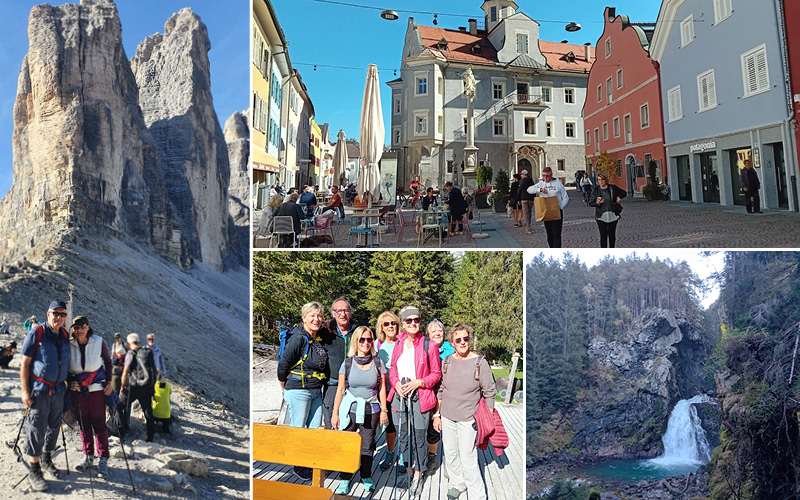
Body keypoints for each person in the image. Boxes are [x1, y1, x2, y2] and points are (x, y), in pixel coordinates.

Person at [434, 323, 496, 500]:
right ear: (452, 342)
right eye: (458, 339)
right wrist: (437, 415)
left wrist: (489, 417)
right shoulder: (446, 362)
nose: (462, 342)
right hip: (447, 416)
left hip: (469, 419)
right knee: (451, 454)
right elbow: (441, 390)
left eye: (466, 339)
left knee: (468, 457)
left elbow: (489, 391)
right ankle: (457, 483)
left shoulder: (480, 362)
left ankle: (477, 494)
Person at [389, 306, 442, 494]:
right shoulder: (398, 343)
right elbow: (393, 369)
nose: (412, 323)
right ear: (403, 323)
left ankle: (419, 474)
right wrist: (395, 384)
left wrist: (419, 382)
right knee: (403, 436)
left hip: (420, 398)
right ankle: (409, 471)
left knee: (419, 437)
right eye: (408, 320)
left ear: (420, 322)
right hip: (400, 397)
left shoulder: (429, 345)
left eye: (416, 320)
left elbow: (436, 374)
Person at [19, 300, 71, 492]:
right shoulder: (37, 332)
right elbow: (24, 364)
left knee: (54, 426)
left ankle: (46, 458)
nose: (58, 317)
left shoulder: (64, 335)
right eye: (55, 313)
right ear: (47, 314)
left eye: (62, 314)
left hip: (59, 390)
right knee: (36, 429)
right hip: (39, 390)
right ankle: (34, 469)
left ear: (65, 317)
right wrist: (25, 391)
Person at [331, 326, 388, 494]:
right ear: (356, 341)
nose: (366, 343)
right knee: (347, 444)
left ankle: (365, 475)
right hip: (350, 409)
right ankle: (345, 478)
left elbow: (382, 388)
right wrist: (335, 414)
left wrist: (384, 410)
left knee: (368, 445)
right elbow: (340, 389)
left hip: (371, 409)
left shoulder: (378, 363)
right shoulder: (348, 363)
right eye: (362, 339)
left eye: (369, 339)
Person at [277, 301, 328, 481]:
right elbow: (284, 364)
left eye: (319, 316)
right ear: (304, 317)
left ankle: (310, 462)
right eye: (312, 315)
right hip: (299, 390)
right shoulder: (299, 338)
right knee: (299, 429)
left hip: (315, 390)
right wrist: (284, 387)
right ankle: (298, 465)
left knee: (315, 429)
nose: (316, 319)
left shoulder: (316, 337)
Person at [68, 316, 113, 478]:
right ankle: (88, 455)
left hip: (96, 390)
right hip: (78, 392)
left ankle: (103, 458)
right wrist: (70, 381)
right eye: (76, 327)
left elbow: (108, 363)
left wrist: (109, 383)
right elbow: (66, 367)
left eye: (81, 327)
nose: (78, 330)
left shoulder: (98, 341)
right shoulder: (69, 344)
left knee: (99, 424)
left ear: (88, 327)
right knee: (83, 423)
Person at [321, 298, 358, 431]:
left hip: (353, 385)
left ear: (350, 313)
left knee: (351, 424)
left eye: (345, 310)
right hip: (332, 384)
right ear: (333, 313)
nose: (342, 314)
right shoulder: (325, 332)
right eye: (338, 311)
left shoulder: (357, 332)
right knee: (332, 422)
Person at [423, 319, 454, 476]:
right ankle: (432, 457)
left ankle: (451, 461)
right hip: (429, 392)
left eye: (439, 330)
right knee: (432, 428)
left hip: (449, 394)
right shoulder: (424, 347)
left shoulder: (451, 349)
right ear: (428, 333)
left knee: (449, 427)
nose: (437, 333)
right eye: (433, 331)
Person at [375, 311, 402, 471]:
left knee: (404, 425)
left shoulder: (404, 342)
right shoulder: (380, 347)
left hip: (404, 390)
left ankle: (404, 455)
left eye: (393, 323)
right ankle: (390, 452)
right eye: (386, 324)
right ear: (382, 328)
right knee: (390, 426)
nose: (390, 326)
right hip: (388, 391)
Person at [120, 333, 156, 442]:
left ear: (129, 343)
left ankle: (121, 432)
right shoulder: (147, 352)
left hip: (134, 387)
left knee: (117, 406)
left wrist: (122, 388)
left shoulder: (131, 353)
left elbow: (125, 372)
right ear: (139, 342)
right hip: (146, 387)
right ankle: (150, 438)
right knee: (148, 412)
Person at [529, 167, 569, 248]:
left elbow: (565, 197)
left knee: (557, 234)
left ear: (551, 175)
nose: (545, 178)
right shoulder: (541, 184)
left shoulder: (558, 184)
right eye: (544, 176)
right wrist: (540, 190)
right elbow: (529, 189)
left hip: (557, 211)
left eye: (547, 176)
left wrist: (561, 206)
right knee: (549, 234)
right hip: (546, 211)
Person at [589, 172, 627, 248]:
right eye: (599, 180)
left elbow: (624, 193)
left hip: (612, 215)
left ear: (606, 180)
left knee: (612, 235)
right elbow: (591, 203)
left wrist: (619, 197)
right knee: (603, 235)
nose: (601, 181)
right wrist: (597, 203)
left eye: (602, 179)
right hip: (601, 216)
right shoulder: (595, 190)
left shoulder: (612, 188)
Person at [518, 170, 535, 234]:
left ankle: (527, 228)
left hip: (524, 199)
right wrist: (533, 197)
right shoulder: (531, 181)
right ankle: (529, 225)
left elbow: (519, 190)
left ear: (524, 174)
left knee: (525, 213)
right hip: (530, 199)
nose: (521, 175)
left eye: (521, 174)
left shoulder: (522, 181)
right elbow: (534, 189)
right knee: (529, 213)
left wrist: (518, 199)